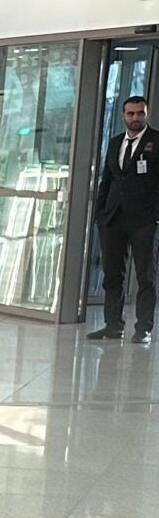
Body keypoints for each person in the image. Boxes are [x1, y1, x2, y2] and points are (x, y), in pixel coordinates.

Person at [90, 93, 157, 341]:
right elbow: (107, 180)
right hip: (113, 219)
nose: (135, 117)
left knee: (146, 277)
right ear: (123, 116)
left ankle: (143, 329)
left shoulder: (156, 141)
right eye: (131, 113)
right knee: (112, 275)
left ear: (146, 114)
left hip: (145, 221)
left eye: (140, 113)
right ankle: (113, 325)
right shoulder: (115, 142)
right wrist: (100, 213)